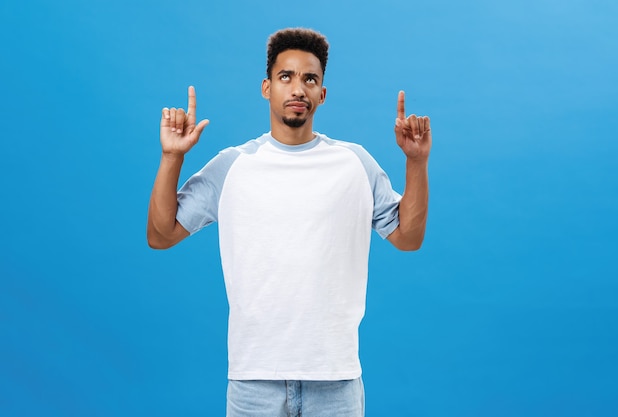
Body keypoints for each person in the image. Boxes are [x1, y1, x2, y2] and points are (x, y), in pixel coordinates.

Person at [147, 28, 431, 417]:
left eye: (309, 79)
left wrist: (416, 162)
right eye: (286, 77)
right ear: (267, 88)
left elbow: (408, 237)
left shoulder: (355, 164)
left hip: (336, 381)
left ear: (322, 94)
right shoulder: (233, 166)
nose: (298, 88)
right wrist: (171, 158)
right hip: (253, 382)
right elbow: (161, 235)